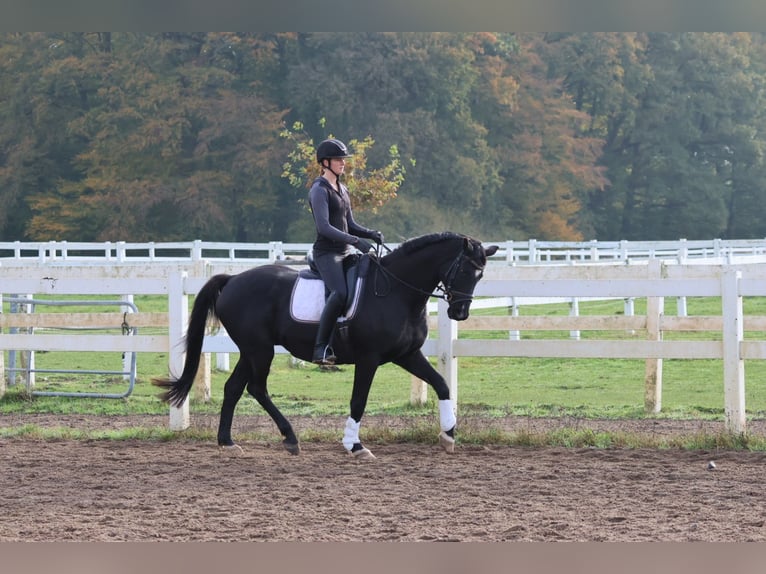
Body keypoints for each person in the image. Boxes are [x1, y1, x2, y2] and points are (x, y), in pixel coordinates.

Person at [308, 138, 384, 365]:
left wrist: (370, 233)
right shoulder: (319, 190)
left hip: (346, 251)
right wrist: (355, 240)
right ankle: (321, 348)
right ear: (325, 162)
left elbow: (349, 223)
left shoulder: (343, 188)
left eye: (343, 159)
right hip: (327, 253)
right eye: (339, 159)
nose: (343, 163)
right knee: (339, 293)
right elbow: (324, 227)